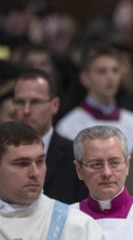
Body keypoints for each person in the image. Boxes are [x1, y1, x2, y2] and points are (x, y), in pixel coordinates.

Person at [13, 68, 88, 203]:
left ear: (54, 105)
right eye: (20, 102)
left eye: (35, 102)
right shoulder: (2, 153)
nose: (26, 110)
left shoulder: (77, 155)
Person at [56, 46, 133, 152]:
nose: (110, 77)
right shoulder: (68, 126)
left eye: (115, 71)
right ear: (85, 78)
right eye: (102, 71)